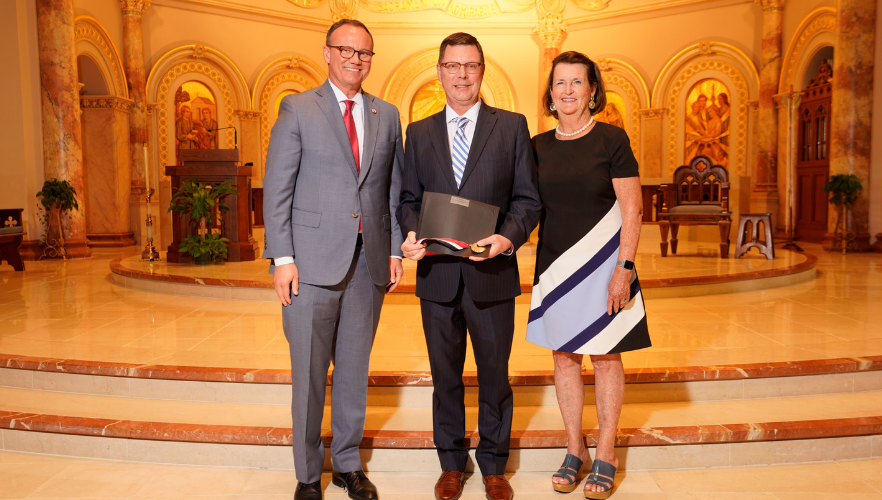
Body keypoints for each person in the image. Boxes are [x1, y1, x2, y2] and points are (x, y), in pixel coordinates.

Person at [262, 19, 405, 500]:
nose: (355, 59)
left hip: (367, 267)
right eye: (345, 50)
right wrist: (283, 257)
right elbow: (278, 189)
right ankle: (307, 473)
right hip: (310, 266)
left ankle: (346, 464)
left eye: (364, 53)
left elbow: (390, 190)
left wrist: (391, 248)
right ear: (326, 53)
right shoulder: (298, 108)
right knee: (308, 374)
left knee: (352, 370)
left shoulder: (388, 114)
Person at [398, 32, 540, 500]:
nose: (462, 74)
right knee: (445, 376)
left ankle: (495, 466)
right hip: (437, 276)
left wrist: (508, 237)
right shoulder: (417, 133)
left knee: (495, 375)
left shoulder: (512, 126)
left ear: (483, 71)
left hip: (492, 275)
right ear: (439, 71)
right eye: (453, 66)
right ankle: (451, 465)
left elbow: (527, 199)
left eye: (471, 66)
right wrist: (411, 234)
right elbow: (407, 200)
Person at [526, 51, 651, 500]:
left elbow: (632, 208)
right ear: (551, 93)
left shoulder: (611, 140)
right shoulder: (536, 146)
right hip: (557, 265)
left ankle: (608, 450)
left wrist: (625, 268)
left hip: (605, 266)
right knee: (563, 358)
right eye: (560, 83)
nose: (568, 91)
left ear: (593, 91)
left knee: (606, 356)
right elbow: (524, 205)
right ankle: (574, 447)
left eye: (577, 83)